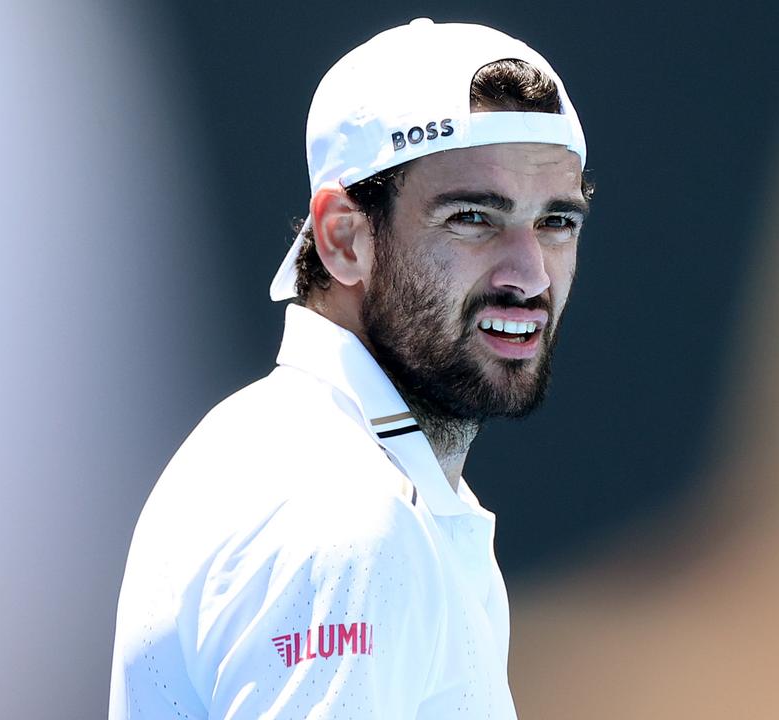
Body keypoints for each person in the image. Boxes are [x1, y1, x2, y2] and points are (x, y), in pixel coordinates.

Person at [109, 19, 590, 719]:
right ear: (343, 239)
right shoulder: (347, 517)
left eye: (556, 223)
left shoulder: (287, 450)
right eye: (472, 219)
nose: (529, 273)